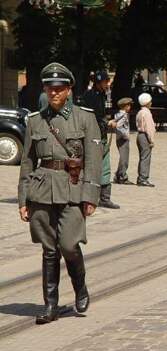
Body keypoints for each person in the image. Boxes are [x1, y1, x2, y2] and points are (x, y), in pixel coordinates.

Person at [18, 62, 102, 324]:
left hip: (73, 188)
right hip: (41, 189)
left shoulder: (85, 118)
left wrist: (91, 195)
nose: (53, 92)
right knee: (49, 249)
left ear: (68, 90)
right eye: (49, 87)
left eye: (59, 88)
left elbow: (94, 160)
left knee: (68, 244)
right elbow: (27, 162)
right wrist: (23, 199)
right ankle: (50, 305)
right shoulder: (34, 120)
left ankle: (80, 287)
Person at [81, 71, 119, 209]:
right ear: (99, 82)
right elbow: (91, 118)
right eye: (105, 81)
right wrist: (106, 123)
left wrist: (108, 121)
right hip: (92, 136)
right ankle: (87, 196)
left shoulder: (103, 95)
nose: (107, 84)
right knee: (91, 166)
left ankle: (105, 197)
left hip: (101, 135)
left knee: (105, 166)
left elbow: (103, 114)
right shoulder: (90, 96)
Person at [135, 93, 156, 187]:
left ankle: (141, 177)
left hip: (139, 135)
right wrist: (151, 140)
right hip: (145, 136)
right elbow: (149, 128)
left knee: (142, 157)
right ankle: (143, 178)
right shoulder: (147, 113)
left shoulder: (140, 112)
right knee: (145, 158)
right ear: (147, 102)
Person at [113, 98, 133, 184]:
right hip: (123, 139)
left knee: (122, 158)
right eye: (129, 105)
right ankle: (122, 176)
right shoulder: (123, 115)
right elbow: (118, 126)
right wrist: (125, 135)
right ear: (125, 106)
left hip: (119, 139)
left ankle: (118, 175)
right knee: (124, 159)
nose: (130, 107)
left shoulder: (117, 114)